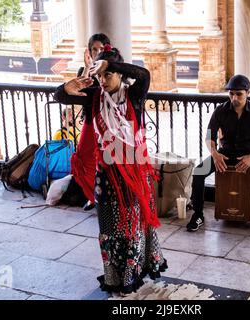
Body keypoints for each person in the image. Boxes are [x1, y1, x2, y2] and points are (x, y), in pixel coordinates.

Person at [54, 45, 167, 294]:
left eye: (108, 75)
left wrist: (109, 64)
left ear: (118, 74)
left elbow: (144, 74)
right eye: (100, 75)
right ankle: (114, 276)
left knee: (133, 225)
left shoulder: (134, 94)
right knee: (108, 226)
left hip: (134, 172)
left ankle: (132, 274)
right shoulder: (95, 97)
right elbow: (60, 97)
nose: (103, 81)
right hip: (106, 174)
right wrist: (65, 88)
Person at [186, 75, 250, 234]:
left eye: (239, 94)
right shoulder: (220, 110)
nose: (234, 97)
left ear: (248, 93)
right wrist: (215, 154)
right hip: (225, 153)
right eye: (231, 94)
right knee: (198, 172)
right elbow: (209, 136)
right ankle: (198, 214)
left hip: (248, 153)